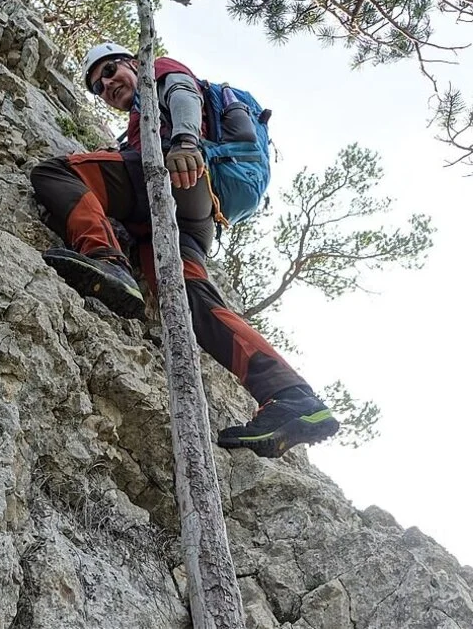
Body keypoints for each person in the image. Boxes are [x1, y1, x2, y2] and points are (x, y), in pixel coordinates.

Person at [29, 42, 340, 457]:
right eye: (98, 87)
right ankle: (291, 396)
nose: (106, 85)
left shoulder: (158, 71)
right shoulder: (138, 122)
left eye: (109, 71)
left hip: (178, 171)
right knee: (195, 302)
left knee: (56, 172)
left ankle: (106, 261)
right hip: (192, 216)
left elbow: (182, 92)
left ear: (132, 62)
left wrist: (186, 142)